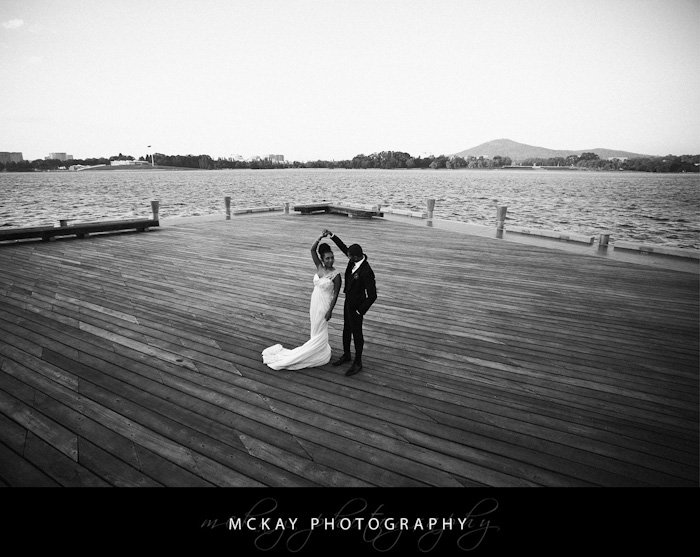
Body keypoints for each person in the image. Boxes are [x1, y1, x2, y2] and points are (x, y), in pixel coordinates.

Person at [261, 232, 342, 370]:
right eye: (327, 258)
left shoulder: (336, 275)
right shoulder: (319, 267)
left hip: (324, 305)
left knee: (321, 329)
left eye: (332, 257)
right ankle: (317, 349)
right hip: (315, 302)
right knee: (314, 329)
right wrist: (319, 238)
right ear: (322, 259)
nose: (330, 260)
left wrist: (330, 311)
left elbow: (336, 295)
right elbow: (312, 250)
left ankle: (318, 351)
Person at [323, 229, 377, 376]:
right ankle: (347, 355)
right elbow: (344, 247)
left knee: (357, 334)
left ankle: (358, 362)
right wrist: (332, 235)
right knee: (346, 329)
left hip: (358, 307)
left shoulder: (367, 271)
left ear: (356, 257)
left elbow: (372, 295)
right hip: (348, 302)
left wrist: (361, 310)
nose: (347, 256)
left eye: (349, 256)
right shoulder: (353, 258)